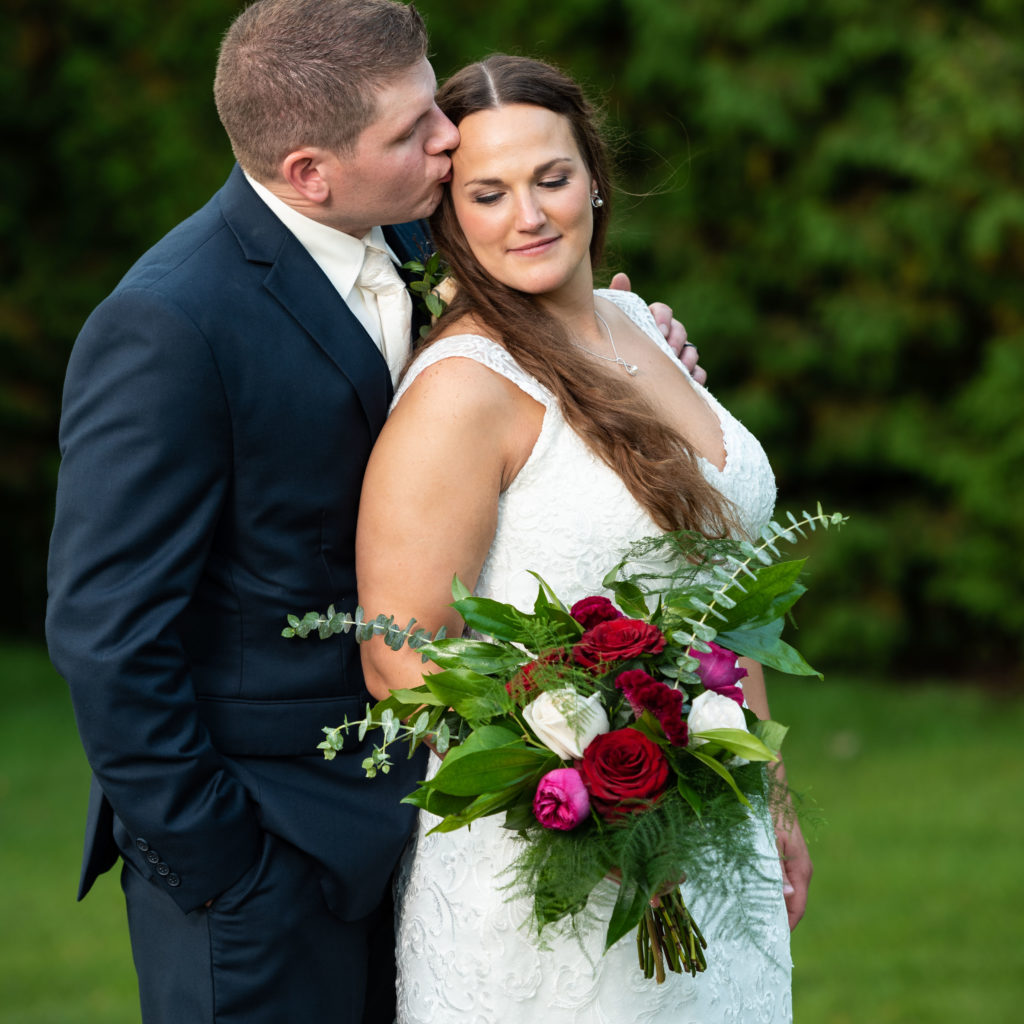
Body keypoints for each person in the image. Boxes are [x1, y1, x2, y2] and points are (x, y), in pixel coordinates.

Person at [44, 4, 696, 1022]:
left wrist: (636, 361)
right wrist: (219, 860)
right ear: (309, 171)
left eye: (434, 103)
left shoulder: (416, 236)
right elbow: (105, 634)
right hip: (266, 859)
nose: (448, 138)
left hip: (435, 833)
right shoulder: (170, 323)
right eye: (412, 130)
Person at [356, 54, 811, 1022]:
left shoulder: (634, 321)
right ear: (450, 214)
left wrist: (768, 793)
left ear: (594, 176)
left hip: (706, 836)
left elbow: (718, 595)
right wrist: (593, 807)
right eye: (488, 192)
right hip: (553, 871)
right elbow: (400, 653)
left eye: (550, 178)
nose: (528, 215)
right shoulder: (464, 391)